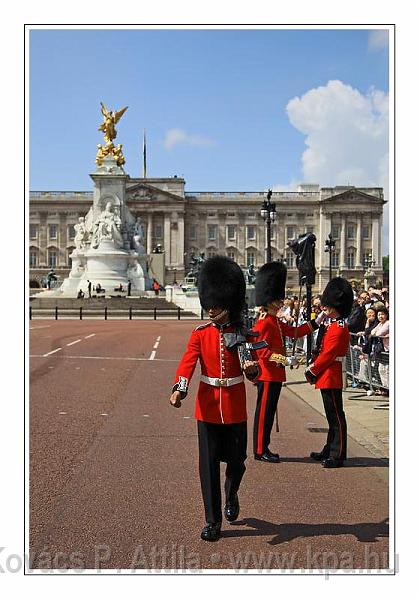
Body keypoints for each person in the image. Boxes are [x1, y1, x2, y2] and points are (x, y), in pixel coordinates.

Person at [169, 256, 261, 542]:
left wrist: (252, 369)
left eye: (216, 305)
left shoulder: (242, 335)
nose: (211, 310)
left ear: (228, 303)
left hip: (234, 406)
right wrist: (180, 388)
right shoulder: (201, 334)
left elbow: (254, 371)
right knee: (207, 466)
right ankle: (212, 521)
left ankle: (231, 493)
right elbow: (188, 361)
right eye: (208, 304)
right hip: (207, 406)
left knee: (238, 462)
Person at [252, 262, 326, 463]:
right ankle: (259, 449)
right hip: (267, 374)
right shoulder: (264, 323)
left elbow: (296, 332)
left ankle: (264, 446)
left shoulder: (275, 321)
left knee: (268, 413)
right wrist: (284, 359)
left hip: (274, 374)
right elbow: (263, 353)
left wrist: (317, 320)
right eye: (278, 300)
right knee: (264, 415)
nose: (281, 303)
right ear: (269, 302)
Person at [305, 277, 354, 468]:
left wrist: (312, 370)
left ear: (337, 305)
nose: (325, 309)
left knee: (336, 416)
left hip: (331, 374)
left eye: (328, 306)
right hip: (327, 374)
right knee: (331, 416)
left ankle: (338, 454)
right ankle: (330, 448)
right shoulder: (332, 324)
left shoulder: (339, 327)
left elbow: (329, 354)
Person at [370, 307, 390, 393]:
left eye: (382, 314)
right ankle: (385, 387)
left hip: (389, 349)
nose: (380, 316)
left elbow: (378, 333)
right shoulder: (380, 324)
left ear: (386, 315)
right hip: (384, 349)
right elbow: (372, 332)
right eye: (378, 315)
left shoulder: (388, 323)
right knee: (381, 369)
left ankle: (389, 388)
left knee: (387, 369)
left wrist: (377, 332)